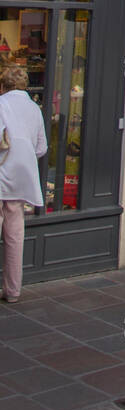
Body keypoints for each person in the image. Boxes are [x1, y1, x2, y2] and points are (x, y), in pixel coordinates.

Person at [0, 65, 47, 304]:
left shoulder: (1, 103)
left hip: (1, 172)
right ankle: (13, 291)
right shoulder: (34, 108)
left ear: (3, 85)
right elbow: (41, 148)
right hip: (22, 177)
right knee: (15, 236)